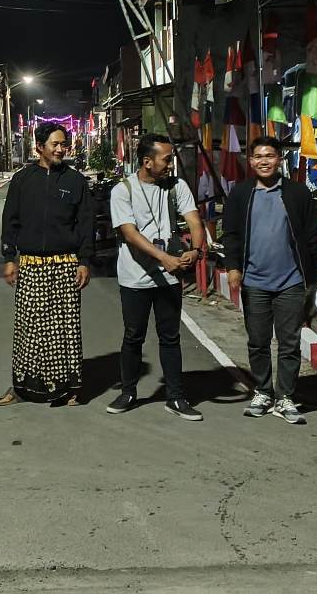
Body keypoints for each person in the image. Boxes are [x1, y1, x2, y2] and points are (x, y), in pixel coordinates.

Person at [222, 135, 317, 425]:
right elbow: (231, 234)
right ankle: (262, 391)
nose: (264, 161)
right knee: (258, 341)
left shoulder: (297, 194)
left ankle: (285, 396)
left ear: (279, 159)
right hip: (254, 282)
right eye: (258, 156)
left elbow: (313, 233)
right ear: (251, 161)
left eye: (269, 156)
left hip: (291, 281)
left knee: (289, 342)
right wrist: (233, 267)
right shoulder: (241, 195)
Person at [0, 122, 94, 406]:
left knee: (65, 329)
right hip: (31, 265)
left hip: (65, 265)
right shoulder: (23, 180)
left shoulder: (75, 181)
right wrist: (8, 257)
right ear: (39, 146)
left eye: (64, 144)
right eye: (55, 144)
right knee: (29, 327)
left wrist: (85, 260)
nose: (61, 149)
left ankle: (71, 388)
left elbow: (85, 223)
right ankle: (22, 388)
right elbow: (10, 220)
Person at [107, 133, 206, 420]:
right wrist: (164, 258)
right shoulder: (123, 190)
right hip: (135, 277)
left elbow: (194, 221)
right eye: (166, 159)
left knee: (170, 337)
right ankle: (128, 392)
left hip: (170, 277)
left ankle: (175, 397)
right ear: (147, 162)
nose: (170, 164)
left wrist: (196, 251)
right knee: (133, 336)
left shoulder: (177, 186)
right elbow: (129, 233)